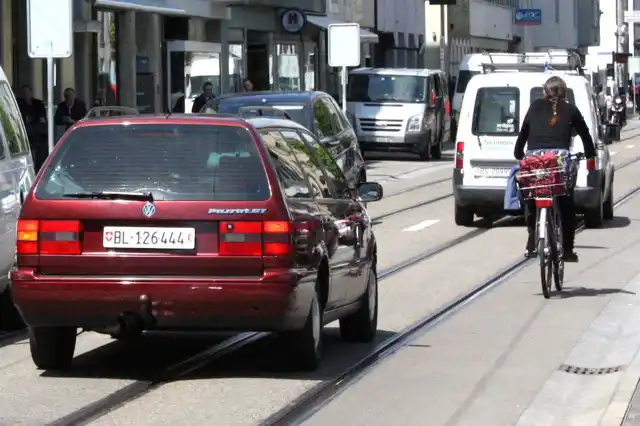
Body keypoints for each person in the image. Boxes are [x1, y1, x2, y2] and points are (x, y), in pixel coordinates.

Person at [513, 76, 597, 263]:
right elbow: (585, 134)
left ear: (545, 91)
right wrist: (590, 154)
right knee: (566, 202)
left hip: (534, 160)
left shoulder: (535, 106)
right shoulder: (571, 109)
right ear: (564, 92)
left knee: (531, 194)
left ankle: (532, 237)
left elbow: (523, 132)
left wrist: (519, 153)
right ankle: (567, 250)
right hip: (559, 161)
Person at [17, 85, 48, 171]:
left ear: (31, 92)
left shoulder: (38, 103)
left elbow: (42, 118)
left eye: (27, 92)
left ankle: (38, 168)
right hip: (26, 132)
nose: (25, 94)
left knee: (40, 154)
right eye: (24, 93)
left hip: (39, 133)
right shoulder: (19, 103)